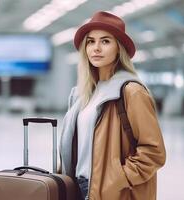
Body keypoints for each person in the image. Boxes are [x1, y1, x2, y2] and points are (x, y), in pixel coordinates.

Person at [59, 11, 166, 200]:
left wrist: (116, 179)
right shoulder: (82, 94)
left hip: (111, 191)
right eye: (91, 41)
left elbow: (154, 152)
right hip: (78, 186)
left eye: (105, 41)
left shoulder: (131, 91)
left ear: (119, 48)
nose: (96, 48)